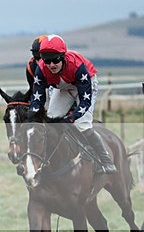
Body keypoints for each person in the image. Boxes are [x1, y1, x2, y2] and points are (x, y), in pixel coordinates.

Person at [27, 34, 117, 174]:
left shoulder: (77, 66)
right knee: (51, 121)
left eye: (55, 60)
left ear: (63, 56)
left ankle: (106, 160)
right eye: (47, 60)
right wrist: (31, 116)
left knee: (82, 124)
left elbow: (85, 101)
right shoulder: (41, 69)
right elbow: (38, 99)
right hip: (63, 88)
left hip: (84, 86)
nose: (51, 65)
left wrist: (71, 118)